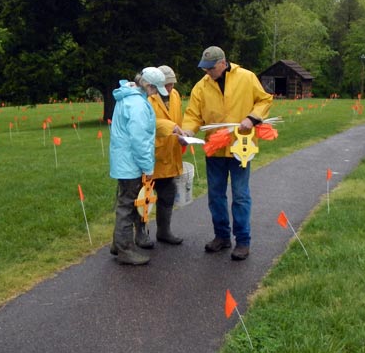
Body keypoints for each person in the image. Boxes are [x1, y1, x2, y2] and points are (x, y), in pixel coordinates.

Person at [183, 46, 273, 261]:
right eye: (205, 69)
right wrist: (188, 130)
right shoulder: (201, 87)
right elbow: (193, 115)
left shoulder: (246, 77)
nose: (208, 73)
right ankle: (222, 237)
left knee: (240, 195)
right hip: (214, 149)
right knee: (215, 195)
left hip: (241, 148)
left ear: (223, 63)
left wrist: (251, 118)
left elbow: (264, 100)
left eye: (211, 68)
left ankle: (243, 241)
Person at [109, 66, 168, 265]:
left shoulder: (128, 97)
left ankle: (118, 244)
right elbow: (140, 140)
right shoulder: (138, 105)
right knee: (128, 205)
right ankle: (125, 250)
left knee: (124, 202)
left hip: (123, 161)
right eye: (155, 89)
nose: (156, 93)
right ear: (148, 85)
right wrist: (148, 168)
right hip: (131, 164)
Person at [145, 64, 187, 245]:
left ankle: (164, 231)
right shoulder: (148, 97)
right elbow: (149, 123)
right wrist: (171, 128)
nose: (170, 88)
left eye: (172, 84)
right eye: (167, 84)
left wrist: (184, 133)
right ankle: (140, 234)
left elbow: (178, 120)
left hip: (171, 154)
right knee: (143, 198)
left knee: (168, 193)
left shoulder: (176, 95)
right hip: (152, 156)